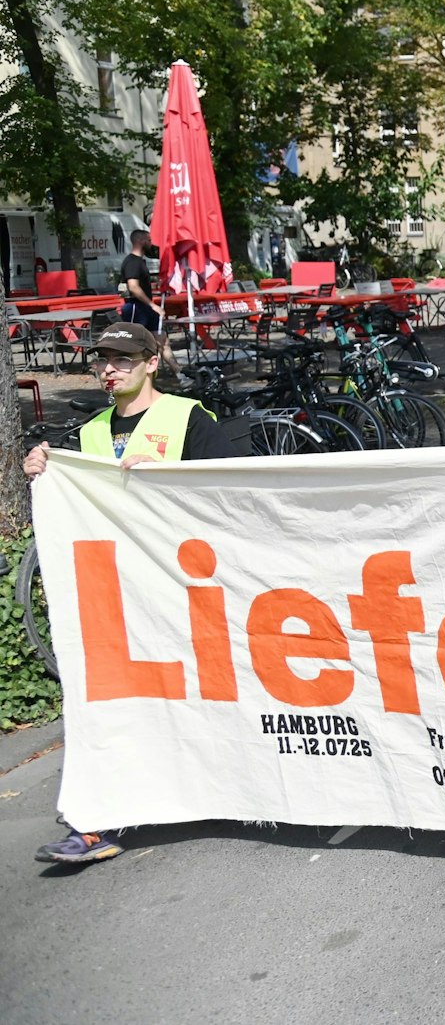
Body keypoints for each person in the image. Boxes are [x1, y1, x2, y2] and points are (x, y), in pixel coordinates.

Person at [24, 322, 241, 867]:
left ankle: (233, 788)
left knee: (206, 699)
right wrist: (44, 472)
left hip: (191, 593)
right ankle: (98, 820)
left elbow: (232, 493)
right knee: (113, 706)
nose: (109, 369)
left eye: (122, 359)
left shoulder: (189, 418)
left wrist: (169, 478)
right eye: (102, 360)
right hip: (120, 600)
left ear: (151, 362)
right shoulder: (91, 432)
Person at [119, 229, 160, 331]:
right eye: (149, 240)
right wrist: (152, 305)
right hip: (136, 308)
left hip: (146, 307)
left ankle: (162, 347)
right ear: (141, 241)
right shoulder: (132, 262)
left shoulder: (139, 261)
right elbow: (133, 286)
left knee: (160, 338)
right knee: (136, 341)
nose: (151, 244)